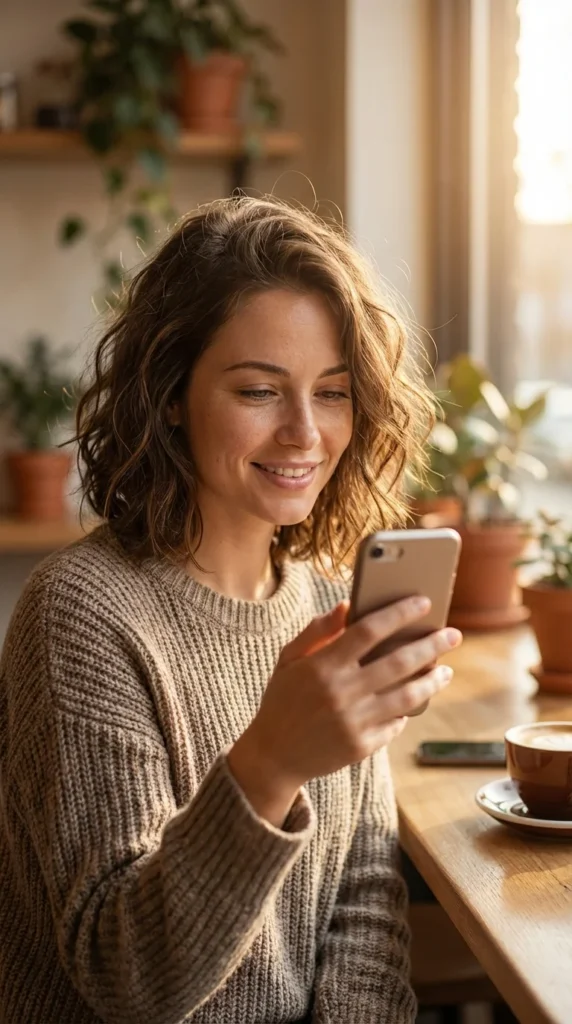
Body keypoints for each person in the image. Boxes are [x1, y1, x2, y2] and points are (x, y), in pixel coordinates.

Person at [0, 196, 461, 1024]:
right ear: (170, 393)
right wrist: (271, 762)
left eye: (332, 393)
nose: (305, 433)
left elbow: (362, 911)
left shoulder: (325, 600)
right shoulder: (81, 614)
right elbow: (130, 980)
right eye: (258, 390)